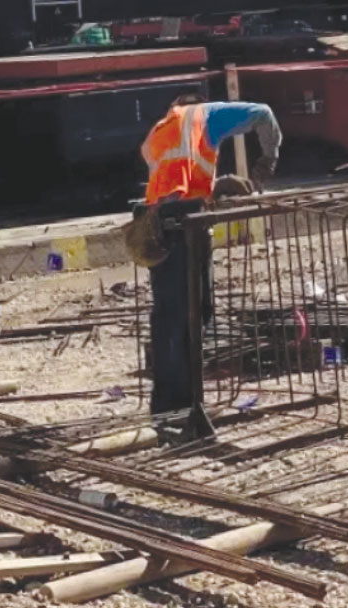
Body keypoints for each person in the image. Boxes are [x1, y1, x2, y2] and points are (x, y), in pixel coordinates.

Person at [139, 94, 280, 436]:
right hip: (185, 224)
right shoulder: (204, 115)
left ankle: (171, 404)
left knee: (173, 314)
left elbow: (176, 182)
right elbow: (264, 113)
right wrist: (268, 161)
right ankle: (182, 406)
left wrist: (215, 187)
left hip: (161, 224)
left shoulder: (158, 132)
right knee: (190, 314)